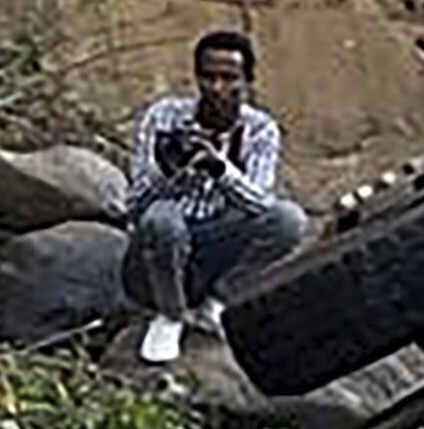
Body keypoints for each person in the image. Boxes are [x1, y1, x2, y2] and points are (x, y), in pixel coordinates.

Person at [119, 27, 303, 366]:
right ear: (196, 78)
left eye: (228, 78)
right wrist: (171, 170)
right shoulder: (164, 116)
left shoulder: (259, 129)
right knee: (162, 219)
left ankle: (217, 302)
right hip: (155, 258)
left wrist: (220, 169)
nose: (217, 88)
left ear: (246, 82)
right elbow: (132, 206)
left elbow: (261, 205)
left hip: (214, 250)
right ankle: (169, 315)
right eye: (208, 77)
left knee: (289, 220)